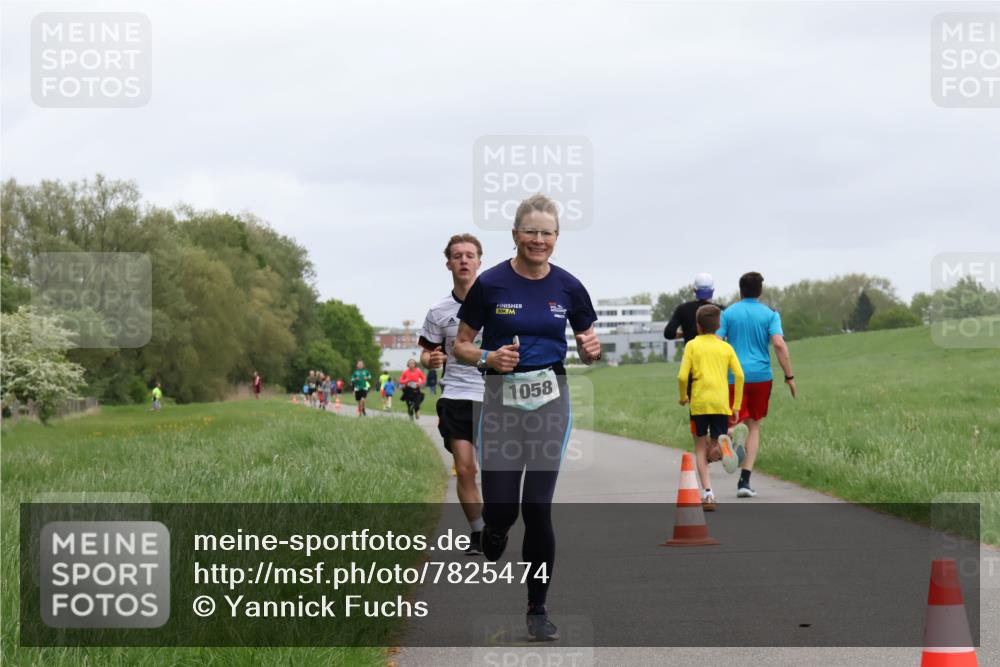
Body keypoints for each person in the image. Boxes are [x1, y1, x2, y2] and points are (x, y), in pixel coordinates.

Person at [454, 194, 601, 641]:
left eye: (547, 233)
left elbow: (588, 339)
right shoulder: (491, 284)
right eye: (531, 231)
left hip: (550, 398)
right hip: (501, 401)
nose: (539, 240)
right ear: (515, 234)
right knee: (503, 508)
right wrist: (487, 357)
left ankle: (537, 608)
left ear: (556, 238)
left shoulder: (570, 287)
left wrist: (592, 351)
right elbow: (460, 344)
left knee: (537, 506)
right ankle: (495, 529)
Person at [418, 232, 487, 555]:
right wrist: (430, 360)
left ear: (479, 262)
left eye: (469, 255)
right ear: (448, 263)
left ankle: (496, 525)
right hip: (457, 395)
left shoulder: (497, 304)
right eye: (457, 255)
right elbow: (427, 354)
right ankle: (478, 532)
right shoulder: (438, 311)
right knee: (466, 467)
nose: (463, 260)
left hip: (495, 396)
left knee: (499, 472)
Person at [717, 271, 797, 498]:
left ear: (740, 290)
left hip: (733, 376)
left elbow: (717, 341)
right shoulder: (770, 314)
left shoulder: (728, 313)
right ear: (760, 292)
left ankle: (731, 436)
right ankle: (744, 481)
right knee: (754, 426)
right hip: (761, 376)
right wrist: (789, 377)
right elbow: (779, 345)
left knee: (732, 420)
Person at [677, 305, 744, 511]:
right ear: (718, 326)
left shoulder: (692, 346)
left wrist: (683, 397)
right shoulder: (726, 347)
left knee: (700, 448)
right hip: (721, 403)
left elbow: (681, 376)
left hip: (699, 404)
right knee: (714, 446)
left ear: (697, 326)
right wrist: (737, 405)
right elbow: (740, 375)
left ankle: (708, 494)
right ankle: (727, 444)